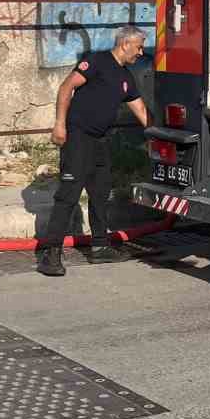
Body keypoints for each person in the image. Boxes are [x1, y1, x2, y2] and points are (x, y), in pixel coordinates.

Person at [36, 25, 151, 275]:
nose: (141, 52)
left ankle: (100, 247)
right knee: (68, 195)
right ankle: (50, 253)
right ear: (125, 44)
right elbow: (67, 87)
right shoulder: (97, 62)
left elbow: (140, 109)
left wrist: (155, 135)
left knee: (100, 194)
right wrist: (59, 125)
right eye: (139, 46)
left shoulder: (125, 76)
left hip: (100, 141)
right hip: (77, 137)